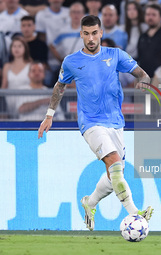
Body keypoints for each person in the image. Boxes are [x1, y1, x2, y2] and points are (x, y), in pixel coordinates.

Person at [38, 15, 153, 231]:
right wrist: (49, 114)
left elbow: (142, 74)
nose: (91, 38)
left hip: (116, 122)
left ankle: (89, 203)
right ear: (81, 34)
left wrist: (144, 83)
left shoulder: (115, 55)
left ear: (101, 33)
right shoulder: (71, 61)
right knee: (115, 164)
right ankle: (135, 215)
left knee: (113, 175)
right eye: (86, 33)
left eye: (94, 33)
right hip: (90, 123)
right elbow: (59, 86)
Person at [1, 36, 32, 117]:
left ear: (25, 48)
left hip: (25, 101)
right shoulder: (7, 66)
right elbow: (4, 86)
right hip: (9, 101)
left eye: (19, 46)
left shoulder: (30, 65)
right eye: (14, 46)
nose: (16, 49)